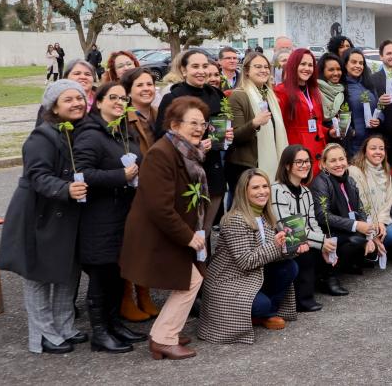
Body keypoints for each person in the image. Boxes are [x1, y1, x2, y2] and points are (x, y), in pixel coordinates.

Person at [0, 80, 89, 354]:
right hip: (39, 213)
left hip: (66, 212)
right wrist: (65, 188)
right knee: (38, 274)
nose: (76, 103)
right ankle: (41, 335)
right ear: (54, 107)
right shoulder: (42, 136)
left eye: (79, 98)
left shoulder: (76, 131)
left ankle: (64, 326)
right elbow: (37, 175)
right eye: (68, 100)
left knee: (67, 270)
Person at [120, 96, 210, 360]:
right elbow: (159, 207)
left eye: (203, 124)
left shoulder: (186, 151)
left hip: (170, 230)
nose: (199, 128)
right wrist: (188, 237)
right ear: (174, 125)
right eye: (193, 123)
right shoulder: (161, 153)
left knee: (189, 279)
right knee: (190, 280)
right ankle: (163, 339)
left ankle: (165, 331)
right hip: (156, 233)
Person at [74, 82, 145, 353]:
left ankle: (115, 324)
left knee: (116, 273)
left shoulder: (121, 131)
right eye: (113, 97)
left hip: (122, 213)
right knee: (101, 275)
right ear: (99, 101)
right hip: (99, 217)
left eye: (123, 99)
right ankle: (100, 333)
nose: (119, 102)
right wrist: (120, 176)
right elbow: (82, 173)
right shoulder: (90, 134)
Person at [198, 170, 299, 343]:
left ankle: (265, 313)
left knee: (290, 267)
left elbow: (271, 254)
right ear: (244, 191)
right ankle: (260, 311)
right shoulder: (235, 220)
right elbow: (246, 261)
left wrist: (292, 247)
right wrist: (276, 245)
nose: (262, 191)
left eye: (265, 186)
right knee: (262, 304)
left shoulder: (266, 216)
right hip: (229, 280)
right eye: (255, 188)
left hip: (251, 276)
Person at [154, 49, 233, 250]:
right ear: (183, 70)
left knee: (205, 234)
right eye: (195, 66)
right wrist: (194, 146)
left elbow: (222, 127)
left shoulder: (217, 95)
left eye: (205, 66)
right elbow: (161, 137)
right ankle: (186, 269)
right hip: (185, 174)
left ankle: (203, 268)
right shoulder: (173, 97)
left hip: (213, 173)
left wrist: (227, 135)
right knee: (188, 233)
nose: (201, 71)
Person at [119, 68, 161, 321]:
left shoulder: (157, 114)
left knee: (147, 244)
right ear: (128, 91)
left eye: (149, 84)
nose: (146, 89)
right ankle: (127, 298)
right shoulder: (124, 118)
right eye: (140, 85)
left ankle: (144, 294)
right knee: (132, 244)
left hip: (157, 184)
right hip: (134, 187)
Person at [311, 144, 378, 295]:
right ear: (323, 164)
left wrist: (369, 234)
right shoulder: (321, 182)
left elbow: (360, 210)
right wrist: (356, 225)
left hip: (345, 228)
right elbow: (322, 216)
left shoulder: (350, 180)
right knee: (354, 239)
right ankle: (327, 277)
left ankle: (347, 264)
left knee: (366, 236)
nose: (339, 164)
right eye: (333, 160)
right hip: (327, 230)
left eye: (341, 159)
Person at [270, 145, 327, 312]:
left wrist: (324, 242)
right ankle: (302, 300)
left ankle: (318, 286)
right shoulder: (277, 190)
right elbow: (287, 227)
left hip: (301, 238)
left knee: (327, 248)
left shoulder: (306, 191)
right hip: (281, 239)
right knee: (305, 252)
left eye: (307, 161)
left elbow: (312, 222)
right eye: (299, 162)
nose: (305, 165)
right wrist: (322, 242)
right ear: (287, 165)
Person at [228, 51, 289, 192]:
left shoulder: (270, 96)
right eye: (258, 67)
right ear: (246, 71)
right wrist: (254, 123)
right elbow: (235, 136)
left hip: (272, 162)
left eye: (266, 67)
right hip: (247, 167)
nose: (263, 70)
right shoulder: (238, 96)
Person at [276, 48, 331, 174]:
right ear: (293, 65)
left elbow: (315, 123)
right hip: (298, 151)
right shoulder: (281, 91)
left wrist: (329, 132)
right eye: (303, 64)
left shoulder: (313, 91)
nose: (307, 68)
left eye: (310, 65)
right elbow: (281, 127)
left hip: (318, 149)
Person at [346, 135, 390, 255]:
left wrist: (381, 221)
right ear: (364, 151)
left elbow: (388, 202)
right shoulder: (354, 171)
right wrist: (372, 231)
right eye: (373, 148)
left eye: (381, 148)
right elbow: (360, 204)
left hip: (382, 219)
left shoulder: (385, 170)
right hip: (364, 220)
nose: (378, 152)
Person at [342, 48, 382, 157]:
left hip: (372, 141)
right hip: (354, 144)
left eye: (361, 63)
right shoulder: (342, 87)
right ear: (345, 64)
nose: (358, 66)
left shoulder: (368, 84)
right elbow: (339, 114)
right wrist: (351, 132)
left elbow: (379, 107)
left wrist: (379, 119)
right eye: (354, 62)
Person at [371, 39, 392, 164]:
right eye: (389, 53)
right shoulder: (373, 79)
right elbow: (370, 106)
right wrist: (379, 103)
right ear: (381, 56)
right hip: (384, 132)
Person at [317, 53, 349, 149]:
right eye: (331, 70)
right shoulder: (314, 90)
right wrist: (329, 131)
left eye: (338, 69)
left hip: (340, 143)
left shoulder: (342, 90)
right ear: (322, 71)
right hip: (321, 141)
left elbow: (345, 117)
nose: (336, 73)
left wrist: (348, 129)